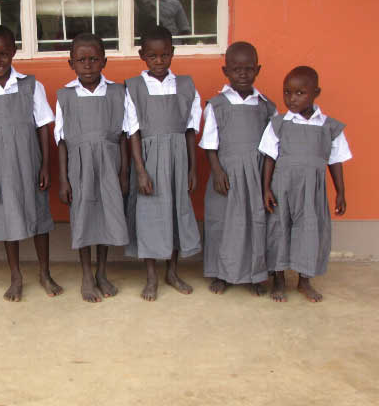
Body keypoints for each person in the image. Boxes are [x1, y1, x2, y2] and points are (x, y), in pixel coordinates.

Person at [0, 25, 63, 302]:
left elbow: (43, 126)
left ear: (13, 52)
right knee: (7, 219)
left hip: (30, 162)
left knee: (39, 217)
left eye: (3, 54)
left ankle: (44, 272)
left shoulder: (31, 85)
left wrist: (45, 166)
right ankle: (16, 276)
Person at [259, 66, 351, 302]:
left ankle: (304, 281)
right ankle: (279, 279)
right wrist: (266, 188)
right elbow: (269, 158)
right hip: (282, 188)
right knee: (279, 230)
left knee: (310, 231)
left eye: (300, 93)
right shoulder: (278, 123)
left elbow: (335, 161)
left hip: (312, 191)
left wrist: (340, 192)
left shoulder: (329, 127)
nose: (292, 98)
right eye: (287, 92)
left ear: (316, 93)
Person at [124, 26, 202, 301]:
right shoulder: (133, 87)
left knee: (176, 214)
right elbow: (133, 132)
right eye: (153, 56)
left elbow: (191, 130)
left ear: (172, 53)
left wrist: (193, 168)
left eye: (165, 55)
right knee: (149, 216)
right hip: (148, 160)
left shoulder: (186, 86)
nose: (159, 61)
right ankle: (151, 277)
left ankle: (172, 271)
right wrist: (140, 171)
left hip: (178, 159)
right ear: (142, 56)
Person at [55, 33, 129, 303]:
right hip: (79, 166)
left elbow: (124, 136)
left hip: (110, 164)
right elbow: (61, 140)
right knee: (83, 217)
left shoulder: (118, 92)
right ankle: (86, 274)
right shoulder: (65, 96)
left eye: (94, 59)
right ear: (71, 63)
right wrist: (64, 180)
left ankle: (101, 272)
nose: (88, 65)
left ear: (104, 61)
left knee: (107, 216)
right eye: (81, 60)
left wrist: (124, 173)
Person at [199, 42, 276, 295]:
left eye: (249, 69)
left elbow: (273, 148)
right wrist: (217, 172)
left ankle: (255, 274)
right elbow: (210, 144)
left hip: (256, 175)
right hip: (226, 174)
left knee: (255, 223)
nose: (243, 74)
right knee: (222, 224)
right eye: (236, 69)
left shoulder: (267, 107)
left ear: (258, 70)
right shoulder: (216, 105)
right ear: (226, 71)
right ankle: (221, 274)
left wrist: (267, 183)